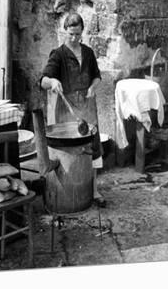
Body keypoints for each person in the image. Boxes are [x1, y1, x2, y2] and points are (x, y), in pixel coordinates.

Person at [40, 13, 105, 205]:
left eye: (77, 34)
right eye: (71, 34)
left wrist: (93, 87)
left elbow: (97, 75)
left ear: (82, 32)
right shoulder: (58, 54)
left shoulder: (88, 53)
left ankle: (93, 191)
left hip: (87, 106)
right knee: (70, 153)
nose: (75, 38)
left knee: (93, 148)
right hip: (67, 111)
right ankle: (66, 193)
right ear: (64, 32)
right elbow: (42, 80)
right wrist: (52, 81)